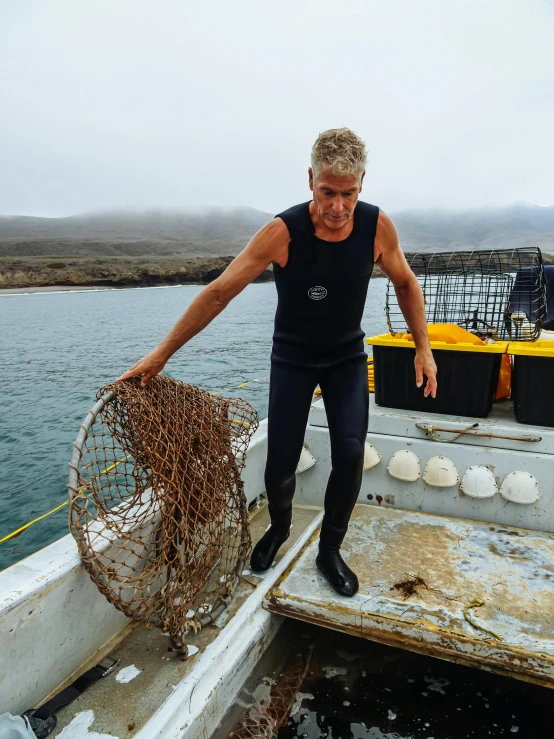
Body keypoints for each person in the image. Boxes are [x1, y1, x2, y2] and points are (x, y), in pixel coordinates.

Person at [117, 128, 437, 597]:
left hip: (346, 358)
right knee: (280, 459)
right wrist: (161, 354)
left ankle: (330, 550)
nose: (337, 207)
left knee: (350, 453)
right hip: (293, 358)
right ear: (310, 179)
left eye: (348, 194)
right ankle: (280, 528)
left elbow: (406, 284)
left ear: (362, 184)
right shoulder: (281, 233)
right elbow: (219, 291)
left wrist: (423, 349)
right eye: (328, 192)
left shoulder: (377, 227)